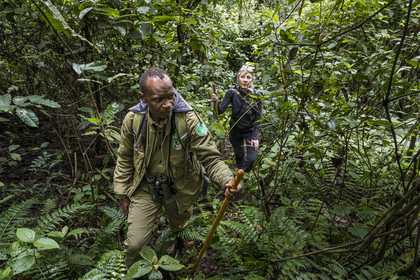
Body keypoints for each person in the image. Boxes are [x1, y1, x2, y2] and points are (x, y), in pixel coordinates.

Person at [113, 68, 243, 269]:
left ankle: (179, 244)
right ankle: (137, 273)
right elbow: (124, 157)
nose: (168, 104)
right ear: (143, 98)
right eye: (159, 99)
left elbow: (210, 157)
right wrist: (123, 193)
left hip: (180, 188)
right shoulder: (134, 120)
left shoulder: (188, 119)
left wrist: (228, 180)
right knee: (135, 244)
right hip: (145, 188)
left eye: (171, 96)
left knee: (180, 227)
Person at [211, 65, 262, 172]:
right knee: (239, 155)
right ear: (238, 78)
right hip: (235, 129)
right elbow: (220, 110)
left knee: (251, 158)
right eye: (243, 77)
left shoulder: (256, 95)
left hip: (250, 130)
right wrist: (215, 101)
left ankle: (243, 173)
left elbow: (258, 117)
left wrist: (255, 137)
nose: (245, 80)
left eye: (248, 77)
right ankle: (240, 179)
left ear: (252, 80)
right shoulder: (232, 92)